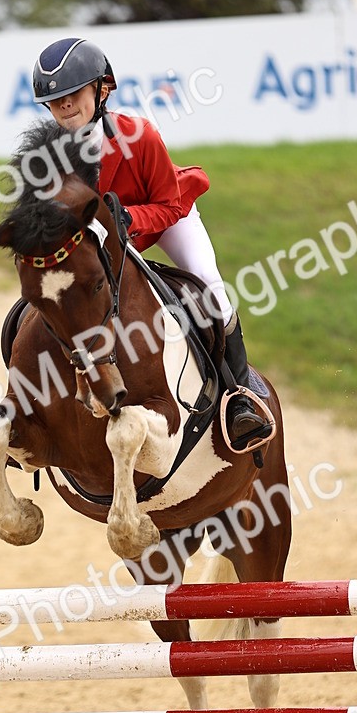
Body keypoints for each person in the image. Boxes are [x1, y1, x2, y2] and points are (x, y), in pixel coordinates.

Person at [32, 36, 273, 452]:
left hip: (166, 218)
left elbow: (168, 204)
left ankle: (238, 396)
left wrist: (128, 219)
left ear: (101, 89)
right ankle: (28, 412)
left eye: (74, 94)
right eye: (56, 101)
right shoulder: (47, 158)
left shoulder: (140, 136)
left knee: (210, 286)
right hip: (108, 242)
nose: (65, 105)